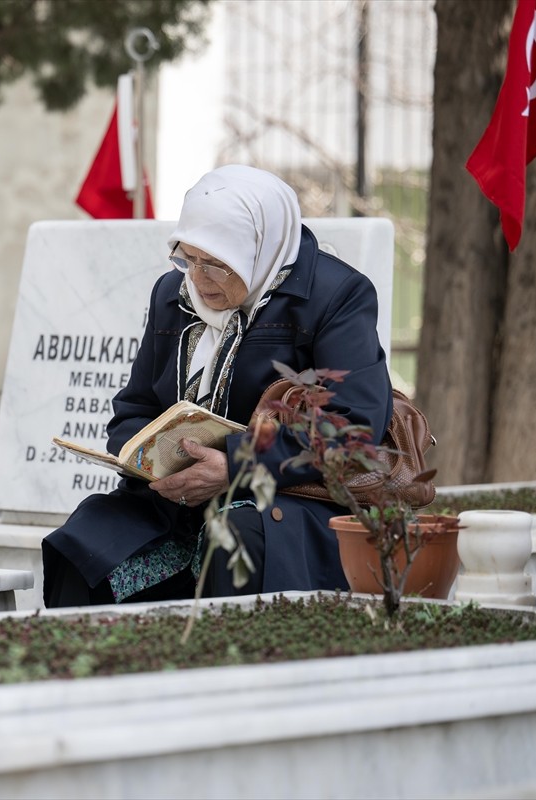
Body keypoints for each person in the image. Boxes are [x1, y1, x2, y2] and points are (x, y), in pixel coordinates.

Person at [43, 165, 393, 608]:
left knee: (237, 537)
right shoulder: (173, 295)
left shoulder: (335, 296)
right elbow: (133, 407)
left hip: (285, 497)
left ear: (258, 250)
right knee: (85, 544)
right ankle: (86, 674)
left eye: (216, 264)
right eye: (187, 258)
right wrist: (148, 458)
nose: (198, 278)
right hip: (176, 501)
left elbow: (353, 425)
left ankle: (223, 674)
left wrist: (234, 466)